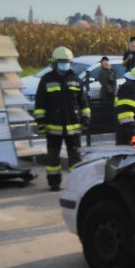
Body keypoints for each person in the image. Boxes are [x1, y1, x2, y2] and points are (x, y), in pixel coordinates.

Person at [33, 46, 90, 191]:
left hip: (73, 126)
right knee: (53, 157)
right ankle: (54, 182)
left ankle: (75, 183)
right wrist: (40, 122)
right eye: (62, 61)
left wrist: (86, 118)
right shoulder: (47, 79)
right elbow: (40, 103)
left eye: (67, 61)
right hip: (53, 127)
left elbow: (83, 101)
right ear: (54, 62)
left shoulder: (75, 78)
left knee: (75, 158)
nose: (65, 64)